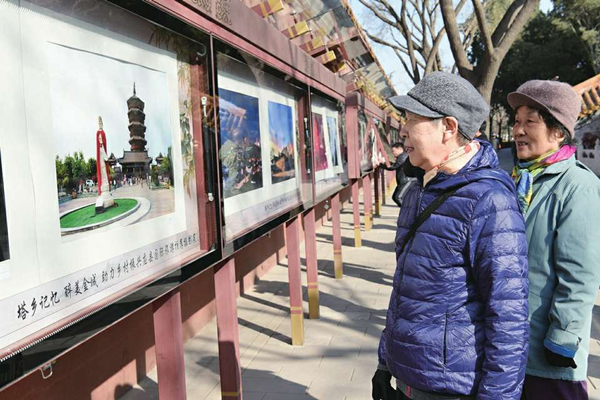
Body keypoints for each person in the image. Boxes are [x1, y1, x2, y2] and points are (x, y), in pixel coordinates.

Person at [372, 72, 529, 400]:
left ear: (449, 127)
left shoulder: (490, 201)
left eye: (413, 119)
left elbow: (509, 316)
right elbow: (404, 288)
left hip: (450, 387)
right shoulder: (420, 189)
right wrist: (385, 363)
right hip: (406, 377)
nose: (404, 129)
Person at [508, 80, 600, 400]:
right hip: (511, 347)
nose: (518, 130)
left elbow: (580, 276)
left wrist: (561, 341)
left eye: (530, 121)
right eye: (517, 121)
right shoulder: (521, 180)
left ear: (559, 132)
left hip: (548, 357)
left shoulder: (578, 187)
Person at [381, 142, 416, 207]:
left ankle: (408, 211)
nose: (393, 153)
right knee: (395, 197)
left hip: (407, 181)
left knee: (398, 197)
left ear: (399, 149)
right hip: (404, 181)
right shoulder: (402, 156)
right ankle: (407, 210)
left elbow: (393, 167)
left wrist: (380, 164)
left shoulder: (403, 157)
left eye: (393, 151)